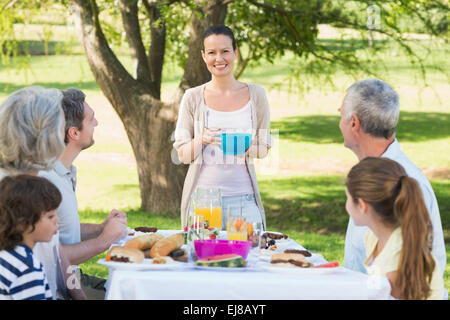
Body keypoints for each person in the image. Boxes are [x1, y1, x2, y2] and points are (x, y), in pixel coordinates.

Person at [338, 78, 447, 297]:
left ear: (353, 123)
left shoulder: (401, 182)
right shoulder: (371, 177)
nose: (339, 122)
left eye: (340, 115)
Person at [174, 25, 272, 230]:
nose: (219, 58)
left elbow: (263, 149)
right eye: (211, 52)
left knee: (250, 259)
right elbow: (182, 155)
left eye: (225, 51)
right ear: (203, 56)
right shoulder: (192, 97)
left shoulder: (256, 95)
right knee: (203, 260)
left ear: (235, 52)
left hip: (244, 200)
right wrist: (201, 139)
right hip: (204, 200)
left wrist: (244, 147)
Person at [39, 88, 127, 300]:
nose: (96, 123)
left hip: (72, 279)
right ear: (74, 133)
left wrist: (100, 228)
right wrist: (104, 241)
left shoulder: (63, 172)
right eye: (91, 119)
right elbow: (53, 258)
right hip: (58, 290)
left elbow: (60, 234)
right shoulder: (46, 182)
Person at [0, 86, 86, 300]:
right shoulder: (10, 192)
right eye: (59, 126)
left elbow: (58, 253)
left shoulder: (39, 182)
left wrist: (79, 294)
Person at [345, 157, 444, 300]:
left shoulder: (394, 267)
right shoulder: (374, 238)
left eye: (347, 198)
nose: (346, 205)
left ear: (362, 205)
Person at [0, 175, 61, 300]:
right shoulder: (27, 267)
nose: (57, 220)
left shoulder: (7, 255)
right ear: (23, 224)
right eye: (50, 216)